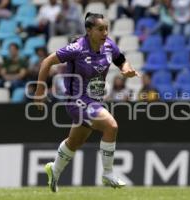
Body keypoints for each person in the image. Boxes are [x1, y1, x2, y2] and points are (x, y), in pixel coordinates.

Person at [34, 12, 140, 192]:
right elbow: (46, 62)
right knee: (111, 126)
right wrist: (39, 91)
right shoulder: (76, 48)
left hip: (94, 101)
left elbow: (121, 61)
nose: (105, 32)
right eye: (100, 29)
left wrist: (126, 69)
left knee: (74, 142)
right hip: (77, 101)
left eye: (106, 28)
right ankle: (107, 173)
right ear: (89, 30)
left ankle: (54, 169)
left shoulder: (108, 45)